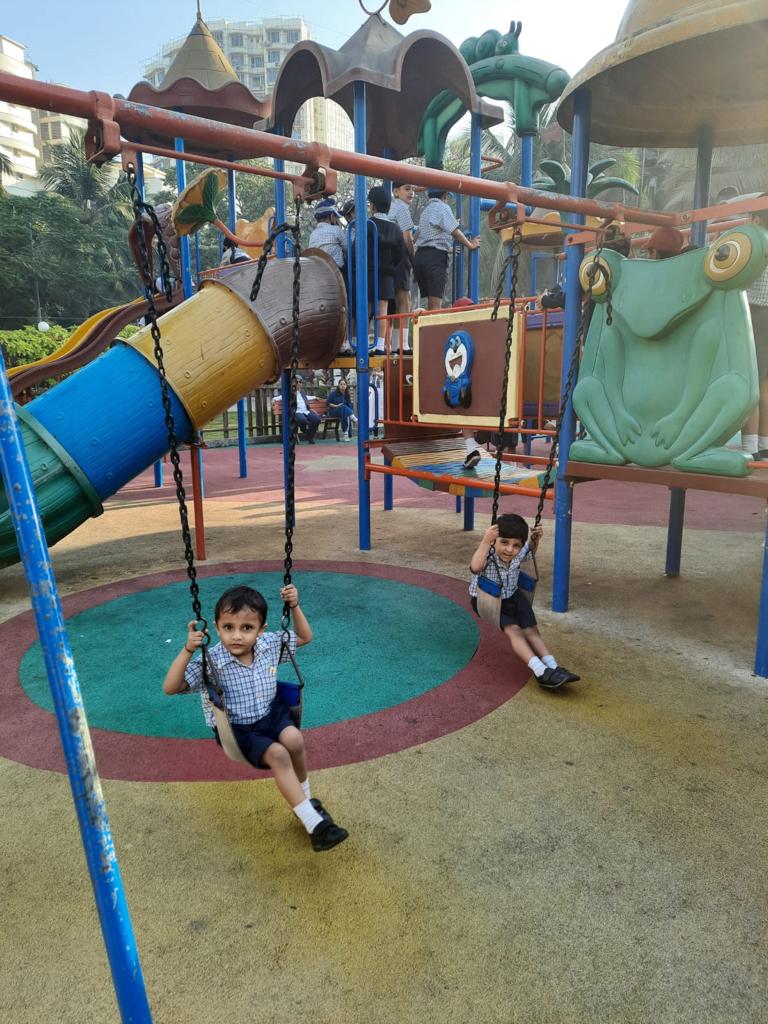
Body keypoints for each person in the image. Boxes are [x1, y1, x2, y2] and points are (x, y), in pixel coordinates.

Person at [163, 584, 349, 852]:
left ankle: (306, 801)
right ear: (216, 628)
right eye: (228, 627)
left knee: (295, 740)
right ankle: (316, 826)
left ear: (261, 629)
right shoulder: (211, 662)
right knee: (280, 755)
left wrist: (294, 605)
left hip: (272, 714)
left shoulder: (268, 645)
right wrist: (188, 650)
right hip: (239, 731)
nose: (237, 636)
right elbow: (170, 688)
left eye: (247, 628)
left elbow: (305, 636)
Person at [469, 513, 580, 691]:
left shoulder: (518, 554)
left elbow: (530, 553)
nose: (509, 550)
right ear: (494, 540)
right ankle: (540, 671)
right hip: (488, 601)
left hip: (513, 596)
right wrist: (485, 541)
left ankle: (553, 666)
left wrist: (536, 539)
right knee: (515, 631)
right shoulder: (488, 554)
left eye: (516, 545)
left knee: (531, 629)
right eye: (504, 542)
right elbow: (475, 567)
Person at [414, 187, 480, 311]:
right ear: (445, 196)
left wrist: (449, 249)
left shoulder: (425, 211)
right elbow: (455, 232)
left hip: (420, 257)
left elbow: (419, 236)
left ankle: (429, 322)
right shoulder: (443, 208)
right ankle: (434, 324)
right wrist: (470, 244)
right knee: (435, 305)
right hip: (434, 259)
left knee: (430, 302)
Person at [358, 185, 405, 355]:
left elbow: (357, 248)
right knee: (382, 309)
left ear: (372, 206)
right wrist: (391, 267)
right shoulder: (395, 229)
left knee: (367, 307)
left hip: (368, 273)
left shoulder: (367, 225)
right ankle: (379, 345)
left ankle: (363, 343)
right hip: (386, 275)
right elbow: (400, 254)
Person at [740, 207, 768, 458]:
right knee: (764, 383)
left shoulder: (755, 245)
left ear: (757, 219)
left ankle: (749, 446)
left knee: (750, 380)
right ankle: (764, 443)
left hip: (755, 314)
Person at [389, 182, 416, 352]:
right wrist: (414, 259)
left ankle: (395, 344)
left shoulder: (392, 208)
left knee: (397, 302)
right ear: (396, 191)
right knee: (405, 300)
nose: (411, 192)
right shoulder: (402, 208)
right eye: (407, 189)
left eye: (412, 189)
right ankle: (403, 344)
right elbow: (407, 238)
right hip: (399, 256)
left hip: (389, 258)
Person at [308, 197, 347, 272]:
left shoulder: (312, 234)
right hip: (335, 272)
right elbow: (347, 249)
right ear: (332, 216)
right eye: (335, 217)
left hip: (318, 271)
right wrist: (340, 229)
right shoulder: (336, 230)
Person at [326, 376, 356, 440]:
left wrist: (350, 411)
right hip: (333, 411)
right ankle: (353, 417)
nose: (342, 386)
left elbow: (349, 405)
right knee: (343, 408)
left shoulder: (347, 394)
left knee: (346, 412)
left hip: (343, 412)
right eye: (341, 384)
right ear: (338, 385)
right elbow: (328, 403)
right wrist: (336, 406)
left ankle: (346, 434)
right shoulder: (333, 393)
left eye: (344, 384)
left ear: (346, 386)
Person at [294, 379, 322, 444]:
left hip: (306, 410)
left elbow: (306, 397)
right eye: (297, 382)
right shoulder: (290, 393)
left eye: (300, 382)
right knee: (303, 420)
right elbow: (282, 397)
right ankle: (304, 430)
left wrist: (314, 397)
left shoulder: (302, 392)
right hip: (297, 412)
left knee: (317, 419)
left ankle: (310, 437)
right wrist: (274, 399)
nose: (298, 383)